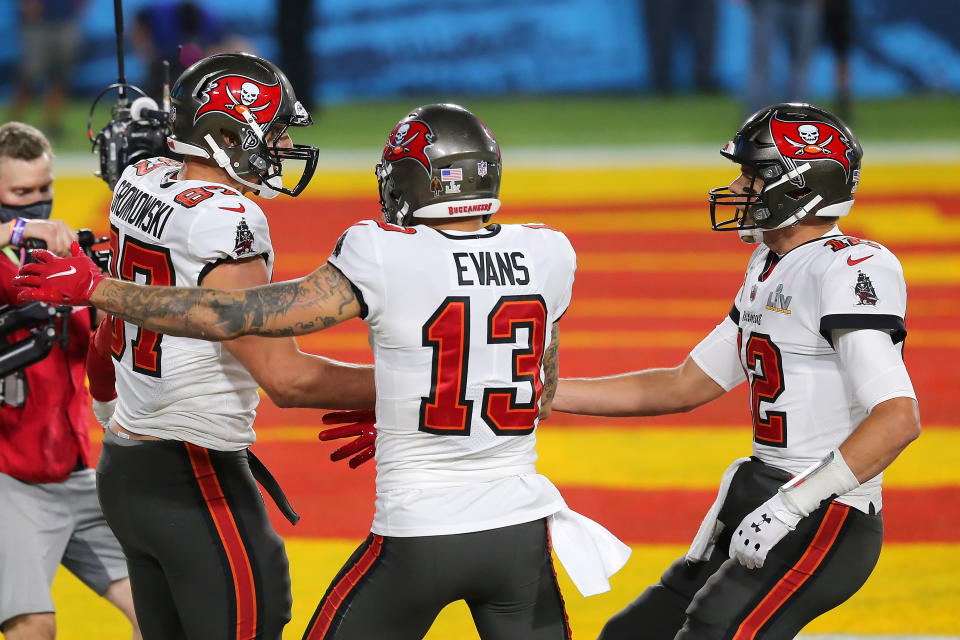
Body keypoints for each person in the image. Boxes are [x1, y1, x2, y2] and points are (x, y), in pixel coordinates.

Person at [14, 102, 631, 640]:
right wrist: (415, 404)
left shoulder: (378, 250)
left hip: (404, 528)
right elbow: (533, 392)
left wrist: (99, 289)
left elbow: (232, 317)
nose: (283, 145)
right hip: (522, 537)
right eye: (274, 131)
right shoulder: (548, 252)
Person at [19, 52, 375, 640]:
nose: (283, 143)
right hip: (193, 475)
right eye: (275, 128)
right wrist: (411, 387)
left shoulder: (141, 180)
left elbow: (110, 333)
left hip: (127, 466)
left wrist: (112, 412)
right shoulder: (227, 217)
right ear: (230, 133)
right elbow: (285, 378)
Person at [555, 103, 919, 638]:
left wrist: (790, 505)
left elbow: (897, 418)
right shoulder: (771, 264)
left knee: (713, 631)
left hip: (825, 508)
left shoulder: (846, 267)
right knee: (631, 633)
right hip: (761, 491)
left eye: (754, 174)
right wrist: (548, 395)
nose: (739, 186)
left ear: (798, 186)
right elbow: (685, 384)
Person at [0, 122, 140, 640]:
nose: (35, 205)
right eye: (20, 194)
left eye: (44, 191)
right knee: (34, 626)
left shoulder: (68, 262)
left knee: (159, 609)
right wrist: (17, 233)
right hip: (8, 478)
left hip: (77, 472)